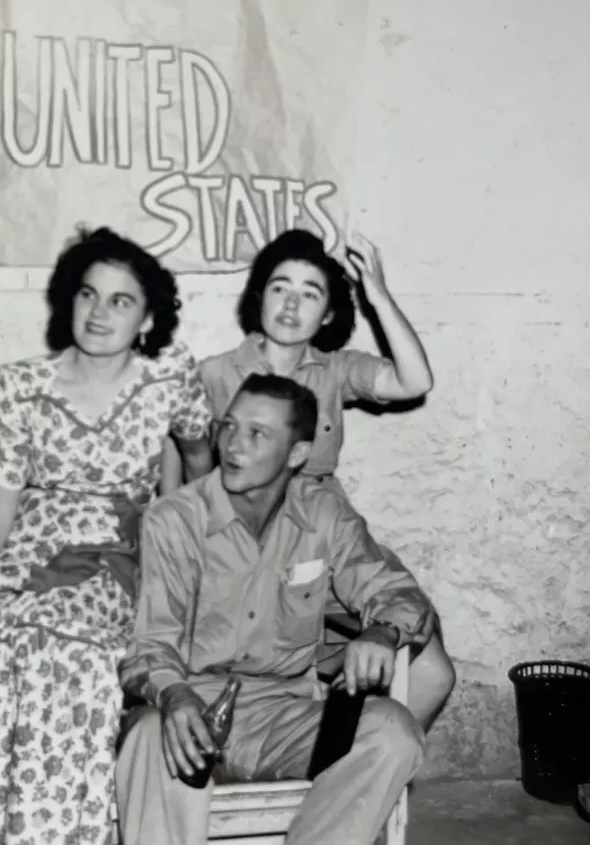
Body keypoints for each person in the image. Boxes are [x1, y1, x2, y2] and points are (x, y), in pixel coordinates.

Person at [0, 227, 214, 845]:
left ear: (146, 319)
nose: (100, 312)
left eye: (121, 300)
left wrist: (193, 556)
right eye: (89, 295)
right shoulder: (19, 384)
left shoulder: (169, 378)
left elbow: (199, 464)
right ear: (69, 301)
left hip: (120, 550)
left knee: (73, 652)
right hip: (29, 546)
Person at [117, 373, 432, 845]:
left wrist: (382, 632)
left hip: (282, 719)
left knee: (393, 733)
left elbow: (398, 592)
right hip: (187, 710)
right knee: (146, 735)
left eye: (256, 434)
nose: (232, 446)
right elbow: (150, 642)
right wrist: (173, 694)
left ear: (297, 454)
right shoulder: (175, 519)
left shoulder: (323, 514)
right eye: (228, 426)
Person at [162, 228, 454, 730]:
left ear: (329, 313)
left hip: (321, 536)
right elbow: (177, 469)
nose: (291, 304)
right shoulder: (212, 374)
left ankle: (360, 780)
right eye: (280, 287)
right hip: (239, 544)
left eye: (310, 293)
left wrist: (376, 292)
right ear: (260, 297)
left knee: (433, 672)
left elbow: (415, 381)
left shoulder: (334, 370)